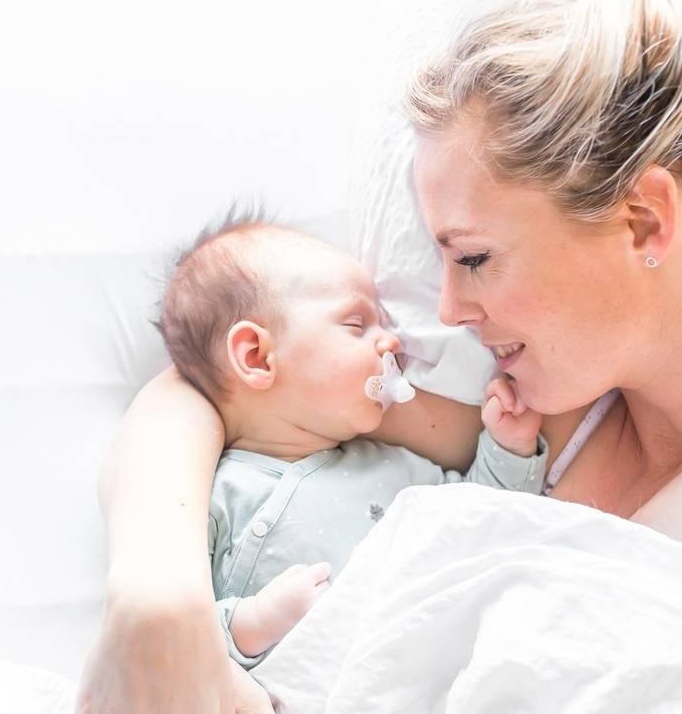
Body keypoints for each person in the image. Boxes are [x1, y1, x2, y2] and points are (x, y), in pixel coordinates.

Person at [77, 0, 682, 712]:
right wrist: (156, 602)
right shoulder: (544, 421)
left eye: (475, 257)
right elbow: (200, 394)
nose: (449, 311)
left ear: (642, 220)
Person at [153, 218, 546, 669]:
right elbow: (168, 636)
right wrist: (250, 623)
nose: (392, 341)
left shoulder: (397, 469)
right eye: (357, 324)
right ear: (257, 356)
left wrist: (508, 447)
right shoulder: (212, 496)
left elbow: (485, 519)